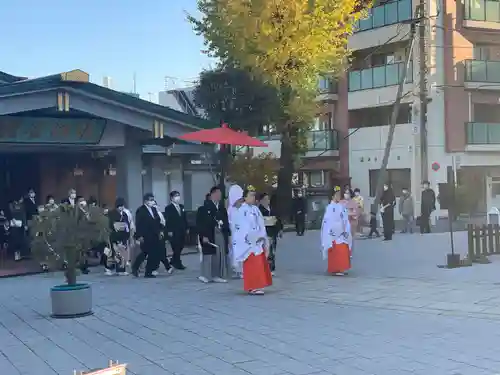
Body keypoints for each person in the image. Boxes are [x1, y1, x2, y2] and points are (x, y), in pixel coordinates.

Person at [232, 186, 273, 295]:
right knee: (252, 264)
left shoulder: (255, 209)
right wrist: (254, 236)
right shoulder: (242, 210)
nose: (252, 197)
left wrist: (262, 235)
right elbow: (243, 228)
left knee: (259, 263)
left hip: (258, 241)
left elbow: (260, 223)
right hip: (249, 242)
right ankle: (253, 286)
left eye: (254, 195)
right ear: (244, 197)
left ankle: (258, 284)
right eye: (250, 195)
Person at [197, 186, 230, 283]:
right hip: (209, 233)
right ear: (212, 194)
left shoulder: (222, 208)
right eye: (217, 194)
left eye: (220, 194)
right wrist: (203, 235)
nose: (219, 196)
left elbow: (226, 221)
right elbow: (200, 224)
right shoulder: (203, 209)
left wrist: (228, 234)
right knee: (208, 255)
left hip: (220, 234)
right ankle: (205, 275)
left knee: (219, 254)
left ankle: (217, 274)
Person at [320, 188, 352, 276]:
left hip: (341, 231)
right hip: (334, 233)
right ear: (332, 196)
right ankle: (335, 268)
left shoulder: (341, 206)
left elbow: (344, 217)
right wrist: (332, 231)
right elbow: (328, 221)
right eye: (337, 195)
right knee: (335, 250)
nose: (339, 196)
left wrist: (345, 227)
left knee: (342, 250)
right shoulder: (330, 207)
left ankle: (341, 267)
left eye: (339, 194)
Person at [132, 193, 163, 278]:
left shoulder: (154, 209)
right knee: (146, 252)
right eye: (150, 200)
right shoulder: (140, 210)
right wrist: (139, 236)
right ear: (146, 201)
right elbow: (138, 224)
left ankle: (142, 269)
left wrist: (160, 231)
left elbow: (157, 220)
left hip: (154, 234)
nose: (152, 201)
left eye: (153, 200)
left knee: (151, 253)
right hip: (145, 235)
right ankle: (144, 270)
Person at [106, 198, 133, 276]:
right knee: (115, 253)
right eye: (120, 206)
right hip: (115, 235)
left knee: (122, 253)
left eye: (122, 206)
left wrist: (127, 232)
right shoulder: (112, 213)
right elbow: (110, 224)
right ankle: (110, 268)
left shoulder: (124, 214)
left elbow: (127, 223)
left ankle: (121, 269)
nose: (121, 208)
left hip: (123, 235)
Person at [259, 192, 282, 275]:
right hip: (265, 232)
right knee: (265, 251)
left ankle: (272, 268)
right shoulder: (259, 210)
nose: (267, 201)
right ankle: (264, 268)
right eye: (265, 199)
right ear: (261, 201)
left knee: (273, 250)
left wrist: (279, 229)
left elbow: (278, 219)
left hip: (273, 231)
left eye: (268, 199)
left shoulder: (272, 209)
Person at [164, 191, 188, 270]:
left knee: (181, 246)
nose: (178, 198)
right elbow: (168, 220)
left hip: (182, 229)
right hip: (174, 231)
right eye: (176, 196)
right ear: (171, 198)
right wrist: (169, 231)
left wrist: (187, 228)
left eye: (178, 196)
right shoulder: (168, 208)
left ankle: (174, 260)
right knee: (176, 247)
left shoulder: (181, 206)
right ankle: (178, 263)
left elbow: (184, 218)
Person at [228, 184, 244, 278]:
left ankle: (242, 269)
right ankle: (236, 269)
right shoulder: (230, 210)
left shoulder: (243, 208)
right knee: (234, 251)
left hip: (242, 233)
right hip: (234, 234)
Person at [9, 197, 28, 261]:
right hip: (14, 225)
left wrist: (25, 224)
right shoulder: (11, 205)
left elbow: (23, 215)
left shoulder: (22, 206)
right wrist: (12, 219)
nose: (22, 200)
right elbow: (10, 213)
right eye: (21, 199)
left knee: (20, 240)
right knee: (15, 240)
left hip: (21, 224)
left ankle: (19, 255)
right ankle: (16, 255)